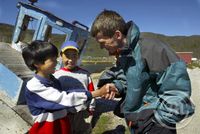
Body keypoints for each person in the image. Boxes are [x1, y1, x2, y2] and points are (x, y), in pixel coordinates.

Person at [90, 10, 195, 134]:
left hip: (155, 126)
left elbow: (177, 91)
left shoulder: (152, 49)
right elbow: (131, 80)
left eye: (102, 43)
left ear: (117, 35)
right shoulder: (124, 54)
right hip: (137, 124)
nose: (102, 47)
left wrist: (157, 123)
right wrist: (117, 86)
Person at [22, 40, 116, 134]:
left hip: (62, 125)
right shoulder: (34, 86)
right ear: (37, 63)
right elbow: (64, 98)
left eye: (56, 59)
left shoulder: (53, 79)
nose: (56, 62)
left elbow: (71, 92)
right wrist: (97, 93)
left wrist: (91, 103)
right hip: (47, 129)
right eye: (53, 60)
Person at [53, 40, 95, 134]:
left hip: (82, 114)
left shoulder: (85, 74)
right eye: (67, 56)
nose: (71, 60)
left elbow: (92, 93)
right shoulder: (57, 76)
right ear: (61, 56)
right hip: (64, 115)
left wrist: (91, 111)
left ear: (78, 56)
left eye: (74, 55)